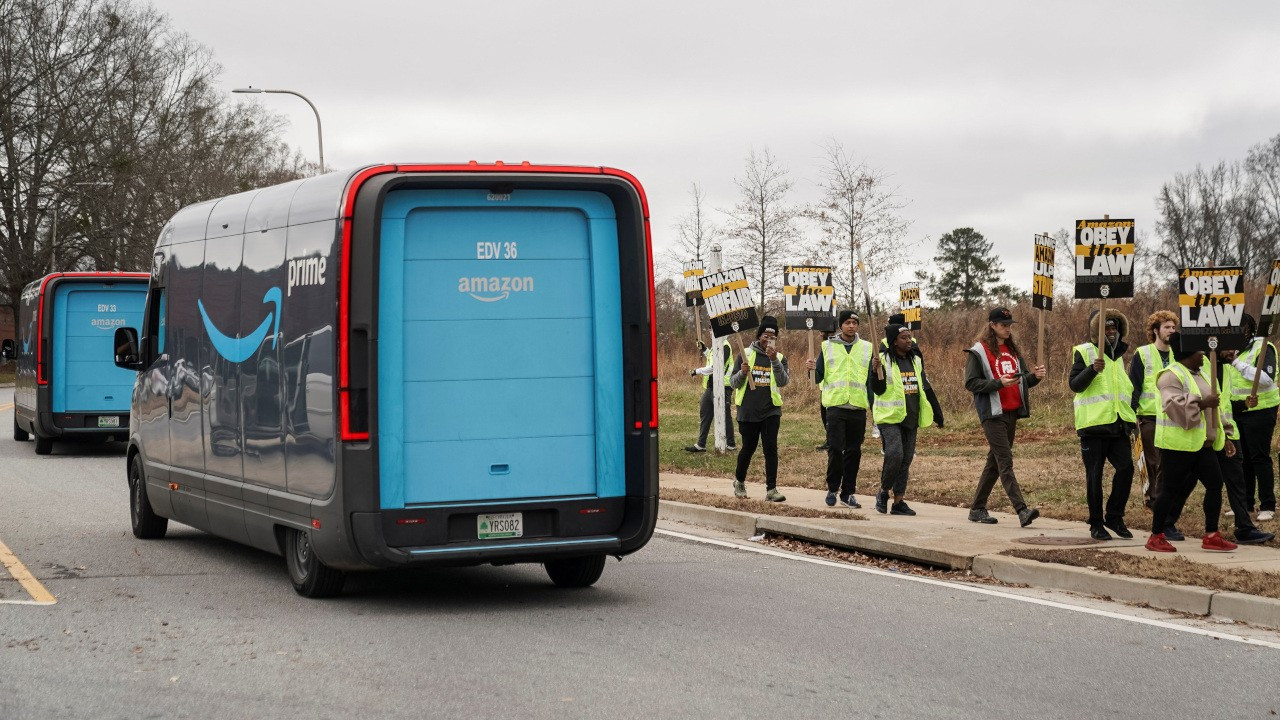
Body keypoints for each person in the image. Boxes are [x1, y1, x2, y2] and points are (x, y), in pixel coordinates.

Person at [1164, 349, 1276, 544]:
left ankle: (1244, 528)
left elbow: (1224, 402)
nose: (1232, 351)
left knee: (1236, 480)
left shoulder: (1229, 366)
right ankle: (1166, 523)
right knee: (1187, 480)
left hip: (1226, 432)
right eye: (1228, 347)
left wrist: (1243, 405)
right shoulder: (1200, 363)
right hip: (1203, 434)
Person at [1145, 335, 1239, 553]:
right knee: (1168, 490)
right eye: (1200, 352)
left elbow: (1215, 408)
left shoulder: (1203, 374)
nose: (1204, 355)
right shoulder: (1170, 376)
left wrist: (1226, 435)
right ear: (1188, 354)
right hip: (1177, 446)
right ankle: (1156, 535)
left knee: (1215, 484)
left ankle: (1212, 535)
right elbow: (1173, 406)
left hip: (1202, 444)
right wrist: (1202, 402)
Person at [965, 307, 1045, 526]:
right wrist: (998, 383)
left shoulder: (1012, 350)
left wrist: (1035, 377)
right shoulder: (979, 351)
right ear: (992, 325)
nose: (1008, 329)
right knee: (1005, 461)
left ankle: (977, 508)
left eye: (1009, 325)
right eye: (1003, 325)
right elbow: (971, 383)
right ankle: (1021, 509)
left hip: (1012, 412)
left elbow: (1023, 381)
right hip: (992, 414)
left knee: (994, 462)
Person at [1069, 310, 1136, 541]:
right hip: (1093, 427)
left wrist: (1131, 418)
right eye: (1105, 328)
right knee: (1094, 476)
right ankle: (1096, 523)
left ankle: (1114, 517)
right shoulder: (1084, 352)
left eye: (1113, 328)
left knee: (1126, 469)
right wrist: (1092, 370)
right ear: (1096, 331)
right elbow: (1075, 385)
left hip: (1118, 426)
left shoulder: (1119, 357)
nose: (1110, 332)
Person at [805, 310, 877, 508]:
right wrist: (810, 369)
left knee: (854, 452)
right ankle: (832, 488)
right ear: (840, 326)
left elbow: (872, 383)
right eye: (847, 322)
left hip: (857, 407)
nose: (851, 326)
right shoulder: (827, 347)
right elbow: (817, 377)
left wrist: (874, 409)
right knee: (835, 449)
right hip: (835, 406)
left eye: (854, 322)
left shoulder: (867, 348)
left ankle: (848, 493)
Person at [870, 322, 943, 515]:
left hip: (911, 416)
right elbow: (877, 389)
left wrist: (937, 411)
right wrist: (873, 371)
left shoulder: (915, 360)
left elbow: (923, 386)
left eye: (909, 337)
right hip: (889, 417)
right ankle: (883, 491)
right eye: (903, 337)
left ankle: (898, 502)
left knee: (906, 459)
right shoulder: (883, 360)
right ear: (894, 341)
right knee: (895, 454)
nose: (908, 340)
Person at [1223, 313, 1278, 522]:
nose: (1237, 332)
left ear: (1250, 329)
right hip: (1238, 410)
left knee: (1259, 457)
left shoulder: (1263, 348)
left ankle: (1267, 504)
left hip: (1261, 410)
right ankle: (1245, 503)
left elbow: (1265, 379)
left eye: (1241, 328)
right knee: (1242, 459)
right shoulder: (1227, 350)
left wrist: (1236, 362)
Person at [730, 316, 789, 502]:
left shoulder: (779, 358)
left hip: (771, 410)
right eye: (766, 335)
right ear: (759, 336)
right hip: (748, 409)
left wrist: (774, 361)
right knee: (749, 447)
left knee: (770, 448)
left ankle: (771, 489)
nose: (768, 339)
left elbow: (783, 381)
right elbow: (733, 382)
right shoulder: (745, 354)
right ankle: (739, 481)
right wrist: (743, 372)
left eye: (773, 336)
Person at [1128, 310, 1177, 515]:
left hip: (1173, 417)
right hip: (1149, 416)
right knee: (1152, 460)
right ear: (1156, 330)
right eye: (1167, 327)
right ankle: (1153, 499)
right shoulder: (1143, 353)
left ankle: (1166, 497)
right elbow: (1134, 386)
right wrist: (1132, 416)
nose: (1172, 331)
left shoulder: (1179, 352)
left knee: (1170, 461)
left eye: (1174, 327)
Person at [686, 340, 736, 452]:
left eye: (711, 328)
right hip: (711, 386)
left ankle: (731, 444)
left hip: (723, 387)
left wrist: (697, 371)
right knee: (705, 413)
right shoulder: (716, 344)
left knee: (724, 416)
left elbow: (716, 366)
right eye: (709, 328)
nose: (710, 330)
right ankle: (701, 444)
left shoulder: (725, 346)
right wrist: (704, 349)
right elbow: (712, 356)